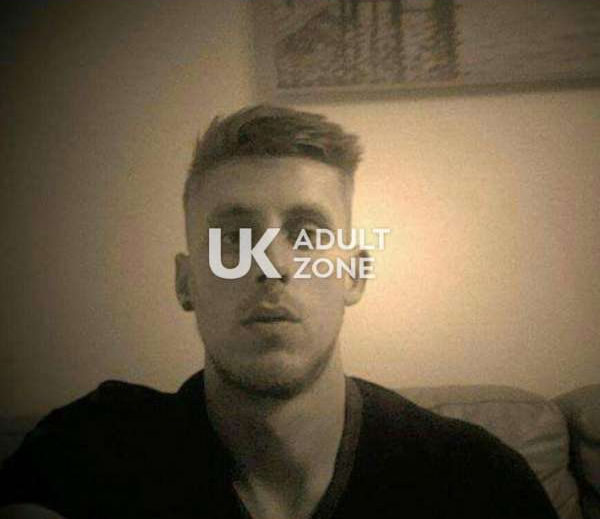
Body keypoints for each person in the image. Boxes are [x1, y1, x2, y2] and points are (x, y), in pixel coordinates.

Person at [1, 105, 559, 519]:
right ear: (186, 282)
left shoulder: (474, 480)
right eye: (233, 237)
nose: (271, 263)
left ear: (354, 274)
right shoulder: (91, 451)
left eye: (307, 234)